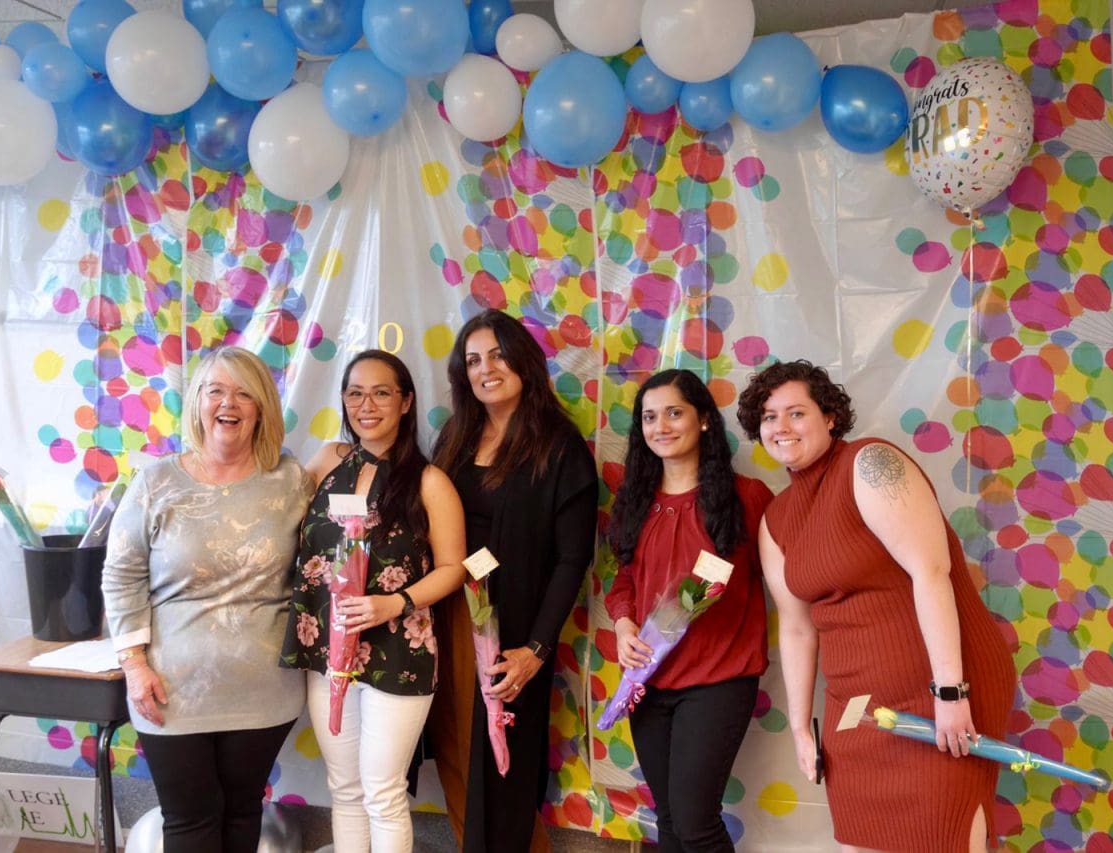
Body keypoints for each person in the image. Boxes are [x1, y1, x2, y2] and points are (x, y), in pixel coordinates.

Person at [735, 360, 1016, 853]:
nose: (781, 426)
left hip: (940, 686)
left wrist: (951, 693)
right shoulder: (776, 520)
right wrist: (800, 728)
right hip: (857, 707)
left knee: (943, 837)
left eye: (796, 413)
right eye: (769, 417)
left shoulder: (869, 464)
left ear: (830, 417)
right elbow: (797, 629)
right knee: (861, 842)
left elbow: (931, 572)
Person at [102, 346, 313, 852]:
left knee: (242, 814)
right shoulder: (156, 481)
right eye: (215, 390)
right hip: (171, 690)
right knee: (190, 821)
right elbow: (121, 574)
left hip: (264, 691)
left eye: (244, 393)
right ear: (197, 401)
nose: (228, 403)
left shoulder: (291, 481)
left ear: (262, 408)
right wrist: (134, 664)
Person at [281, 349, 466, 851]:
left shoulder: (429, 482)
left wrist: (396, 603)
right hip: (327, 650)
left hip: (398, 651)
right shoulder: (327, 462)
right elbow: (283, 524)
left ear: (406, 401)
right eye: (355, 393)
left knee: (383, 792)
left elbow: (453, 568)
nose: (366, 405)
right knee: (344, 789)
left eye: (381, 392)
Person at [429, 308, 598, 853]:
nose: (486, 369)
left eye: (498, 355)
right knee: (455, 751)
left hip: (515, 630)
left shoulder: (559, 445)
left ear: (523, 361)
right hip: (448, 617)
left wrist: (535, 650)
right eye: (473, 360)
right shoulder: (456, 436)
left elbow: (572, 559)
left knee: (504, 762)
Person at [605, 369, 772, 852]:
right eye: (649, 417)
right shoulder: (634, 502)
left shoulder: (748, 498)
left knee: (697, 824)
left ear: (703, 420)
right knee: (670, 822)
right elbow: (625, 579)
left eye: (674, 413)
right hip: (648, 683)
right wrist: (623, 626)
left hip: (718, 680)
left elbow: (789, 581)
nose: (660, 426)